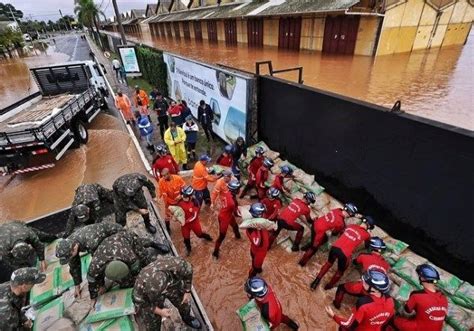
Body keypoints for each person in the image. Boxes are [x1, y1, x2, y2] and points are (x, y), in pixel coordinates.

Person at [57, 223, 168, 298]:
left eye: (70, 256)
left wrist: (102, 284)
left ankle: (153, 244)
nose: (70, 258)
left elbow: (101, 261)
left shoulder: (91, 241)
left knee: (136, 245)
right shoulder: (68, 244)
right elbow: (74, 265)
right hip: (104, 242)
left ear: (75, 248)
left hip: (116, 234)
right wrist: (77, 284)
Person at [133, 256, 201, 330]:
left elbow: (189, 270)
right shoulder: (139, 286)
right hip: (154, 298)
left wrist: (187, 291)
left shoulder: (176, 265)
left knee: (184, 303)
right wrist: (160, 311)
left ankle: (186, 317)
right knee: (151, 321)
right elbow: (140, 304)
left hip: (172, 287)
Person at [87, 230, 154, 303]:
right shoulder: (95, 266)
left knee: (144, 257)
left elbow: (136, 272)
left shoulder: (130, 257)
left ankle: (153, 243)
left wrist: (141, 281)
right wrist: (93, 297)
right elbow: (92, 282)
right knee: (126, 284)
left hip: (127, 238)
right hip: (108, 244)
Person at [311, 216, 375, 290]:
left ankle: (315, 282)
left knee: (328, 264)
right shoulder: (367, 234)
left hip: (335, 247)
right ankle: (327, 288)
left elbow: (342, 233)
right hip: (344, 254)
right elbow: (367, 245)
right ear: (369, 226)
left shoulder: (351, 226)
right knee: (340, 272)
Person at [325, 270, 395, 331]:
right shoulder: (390, 301)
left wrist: (333, 315)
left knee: (342, 328)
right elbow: (388, 319)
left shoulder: (363, 303)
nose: (362, 282)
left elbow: (349, 325)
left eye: (365, 282)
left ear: (373, 289)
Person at [332, 236, 390, 309]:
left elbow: (355, 262)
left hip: (365, 288)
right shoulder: (386, 264)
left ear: (371, 247)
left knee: (341, 287)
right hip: (377, 293)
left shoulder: (364, 256)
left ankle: (336, 305)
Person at [299, 202, 360, 267]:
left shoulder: (337, 210)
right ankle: (301, 263)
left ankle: (305, 248)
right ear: (350, 214)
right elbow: (334, 233)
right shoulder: (341, 223)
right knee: (313, 249)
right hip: (318, 231)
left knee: (324, 238)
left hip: (315, 224)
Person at [393, 264, 448, 331]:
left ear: (422, 278)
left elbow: (407, 311)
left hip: (419, 328)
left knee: (396, 319)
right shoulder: (443, 297)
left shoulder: (416, 295)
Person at [175, 186, 213, 256]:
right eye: (183, 195)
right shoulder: (179, 201)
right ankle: (188, 249)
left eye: (186, 196)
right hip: (184, 225)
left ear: (191, 196)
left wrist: (184, 221)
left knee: (199, 235)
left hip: (194, 223)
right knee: (186, 237)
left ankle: (208, 237)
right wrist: (175, 217)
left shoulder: (195, 203)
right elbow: (176, 210)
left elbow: (194, 216)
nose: (184, 197)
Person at [212, 180, 241, 259]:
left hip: (227, 214)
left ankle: (238, 238)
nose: (240, 190)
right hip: (224, 218)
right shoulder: (232, 203)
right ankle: (215, 252)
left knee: (235, 227)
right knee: (221, 237)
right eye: (239, 189)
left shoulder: (226, 192)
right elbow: (236, 213)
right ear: (235, 190)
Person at [246, 203, 271, 277]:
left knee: (257, 267)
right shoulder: (251, 228)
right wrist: (258, 229)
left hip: (256, 249)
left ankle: (259, 270)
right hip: (259, 252)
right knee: (255, 268)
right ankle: (250, 281)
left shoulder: (259, 220)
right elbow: (257, 242)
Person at [158, 168, 186, 233]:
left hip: (179, 201)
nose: (163, 177)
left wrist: (181, 195)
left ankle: (184, 225)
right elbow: (161, 192)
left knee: (183, 213)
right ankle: (167, 229)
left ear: (168, 174)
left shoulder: (178, 179)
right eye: (162, 176)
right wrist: (159, 198)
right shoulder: (161, 181)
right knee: (167, 217)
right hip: (168, 203)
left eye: (164, 176)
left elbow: (184, 188)